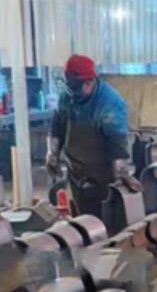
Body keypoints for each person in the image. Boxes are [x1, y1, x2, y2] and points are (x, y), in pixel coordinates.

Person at [46, 54, 141, 217]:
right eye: (71, 88)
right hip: (76, 173)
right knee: (82, 218)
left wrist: (121, 173)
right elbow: (57, 127)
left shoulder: (109, 102)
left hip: (103, 176)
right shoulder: (67, 97)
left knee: (104, 218)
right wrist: (52, 154)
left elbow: (117, 141)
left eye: (77, 89)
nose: (73, 94)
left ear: (89, 82)